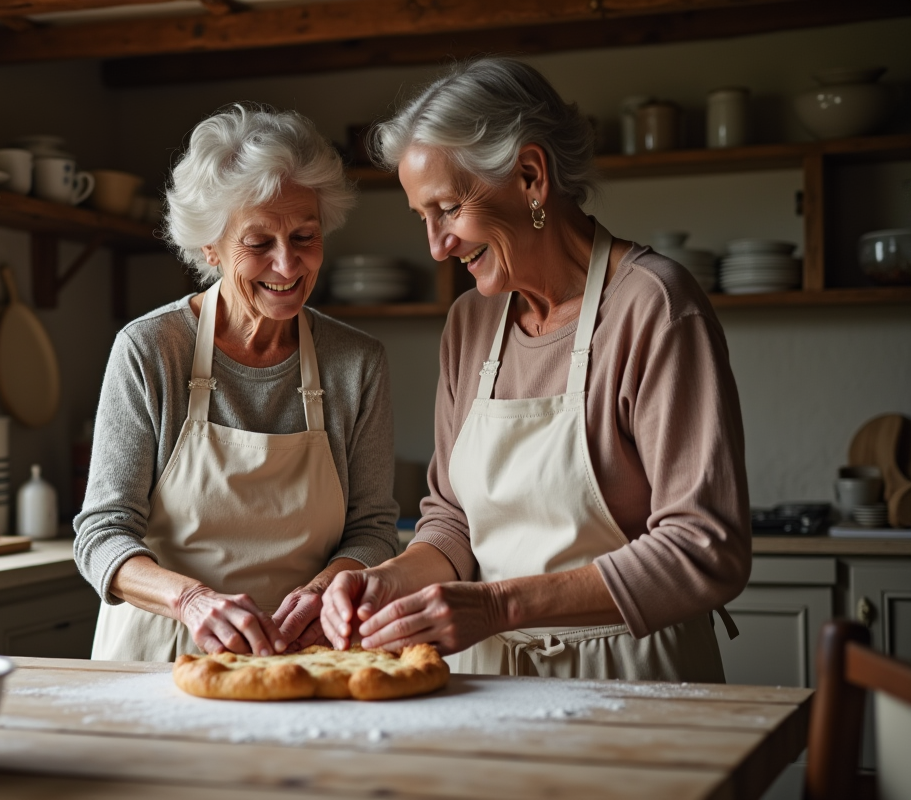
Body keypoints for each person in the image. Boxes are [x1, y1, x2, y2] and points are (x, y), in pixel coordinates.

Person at [321, 58, 750, 681]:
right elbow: (451, 520)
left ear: (529, 175)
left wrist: (498, 605)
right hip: (487, 683)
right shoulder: (470, 323)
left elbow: (705, 549)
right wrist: (381, 582)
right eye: (424, 218)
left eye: (447, 208)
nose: (437, 246)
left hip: (633, 682)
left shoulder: (653, 306)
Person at [75, 104, 399, 662]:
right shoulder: (151, 350)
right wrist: (194, 601)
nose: (288, 265)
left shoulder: (356, 362)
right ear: (210, 248)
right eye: (259, 244)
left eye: (305, 236)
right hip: (165, 653)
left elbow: (371, 530)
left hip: (306, 651)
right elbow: (102, 534)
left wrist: (322, 593)